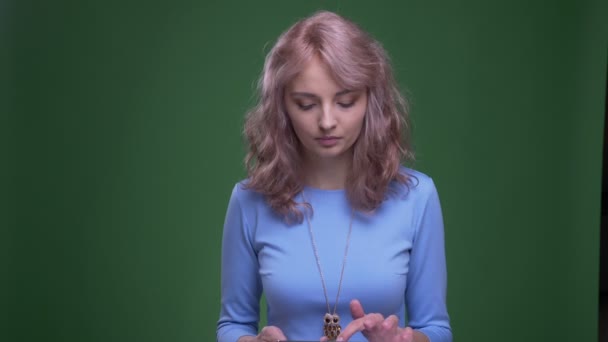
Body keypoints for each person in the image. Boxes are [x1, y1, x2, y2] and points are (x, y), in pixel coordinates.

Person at [217, 10, 451, 342]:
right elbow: (233, 324)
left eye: (345, 102)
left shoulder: (417, 196)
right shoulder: (249, 200)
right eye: (307, 104)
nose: (327, 121)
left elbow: (436, 329)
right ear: (282, 107)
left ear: (372, 101)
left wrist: (404, 341)